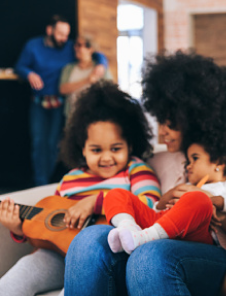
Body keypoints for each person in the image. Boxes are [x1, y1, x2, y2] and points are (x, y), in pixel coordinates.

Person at [64, 50, 226, 296]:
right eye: (160, 121)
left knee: (150, 255)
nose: (162, 132)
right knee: (89, 240)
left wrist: (215, 208)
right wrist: (163, 202)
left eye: (171, 123)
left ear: (197, 118)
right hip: (151, 249)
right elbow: (148, 208)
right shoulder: (155, 162)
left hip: (217, 260)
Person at [0, 81, 160, 296]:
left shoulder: (135, 169)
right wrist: (19, 229)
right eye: (96, 149)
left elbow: (150, 206)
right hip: (57, 257)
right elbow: (50, 228)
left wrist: (95, 202)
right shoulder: (71, 178)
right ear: (82, 149)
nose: (106, 157)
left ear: (130, 145)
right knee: (14, 279)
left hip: (109, 255)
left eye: (116, 148)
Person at [104, 140, 226, 254]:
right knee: (116, 194)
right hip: (161, 222)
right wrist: (169, 195)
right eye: (188, 161)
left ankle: (144, 238)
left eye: (195, 158)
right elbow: (156, 209)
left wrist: (211, 201)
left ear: (218, 162)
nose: (188, 166)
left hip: (194, 234)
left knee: (199, 199)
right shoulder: (185, 184)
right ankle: (128, 230)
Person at [14, 15, 107, 186]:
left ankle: (49, 182)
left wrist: (102, 64)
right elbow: (20, 66)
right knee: (38, 142)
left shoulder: (69, 47)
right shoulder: (33, 46)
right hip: (38, 102)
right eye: (60, 34)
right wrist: (29, 73)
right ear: (50, 31)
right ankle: (40, 182)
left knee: (53, 144)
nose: (64, 38)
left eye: (66, 34)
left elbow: (96, 53)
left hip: (59, 104)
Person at [59, 34, 112, 120]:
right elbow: (62, 89)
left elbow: (110, 90)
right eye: (75, 45)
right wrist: (87, 80)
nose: (76, 48)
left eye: (80, 45)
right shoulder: (68, 68)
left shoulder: (100, 68)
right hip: (72, 115)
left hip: (95, 116)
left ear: (90, 48)